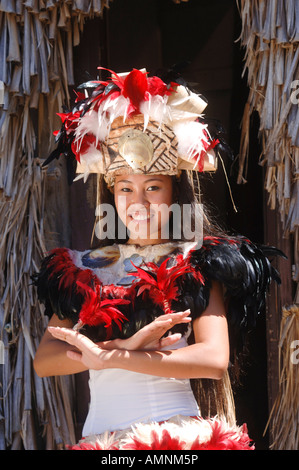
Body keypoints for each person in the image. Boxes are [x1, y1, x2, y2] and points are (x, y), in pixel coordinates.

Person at [33, 68, 283, 450]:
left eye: (153, 187)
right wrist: (127, 348)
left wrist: (111, 356)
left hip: (174, 439)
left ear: (174, 192)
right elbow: (45, 360)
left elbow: (214, 358)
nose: (138, 203)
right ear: (111, 195)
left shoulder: (196, 263)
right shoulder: (86, 269)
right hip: (101, 443)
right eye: (125, 189)